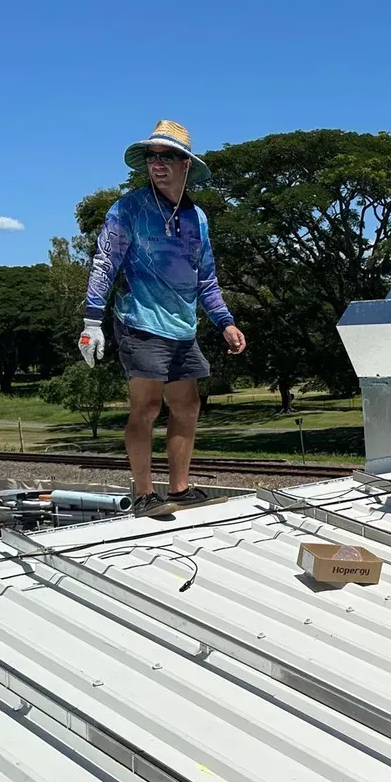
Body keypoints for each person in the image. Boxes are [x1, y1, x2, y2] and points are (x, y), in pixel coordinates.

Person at [81, 120, 247, 519]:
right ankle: (143, 494)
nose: (158, 164)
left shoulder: (198, 219)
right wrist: (91, 321)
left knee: (187, 405)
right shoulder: (129, 208)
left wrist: (225, 321)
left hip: (182, 326)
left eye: (167, 156)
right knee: (147, 406)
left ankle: (180, 488)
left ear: (186, 164)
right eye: (152, 157)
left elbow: (205, 277)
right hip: (139, 319)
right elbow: (105, 262)